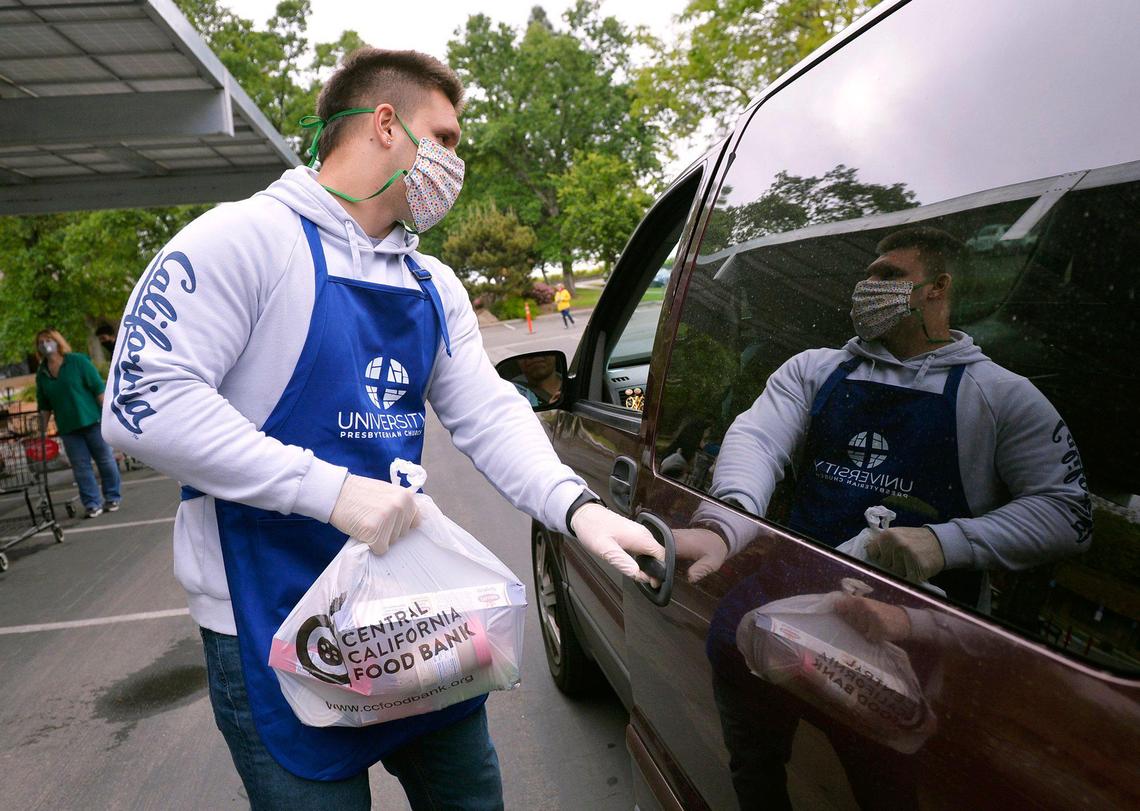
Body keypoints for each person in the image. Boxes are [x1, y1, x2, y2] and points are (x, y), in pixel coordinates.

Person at [102, 48, 662, 810]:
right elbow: (143, 403)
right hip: (270, 619)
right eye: (449, 138)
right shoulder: (241, 241)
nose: (457, 164)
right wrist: (331, 492)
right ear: (387, 124)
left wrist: (576, 507)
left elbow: (489, 411)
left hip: (409, 610)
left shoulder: (433, 283)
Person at [677, 226, 1091, 603]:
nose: (867, 286)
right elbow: (758, 441)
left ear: (937, 287)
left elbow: (1066, 513)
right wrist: (724, 525)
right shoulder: (814, 369)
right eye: (868, 275)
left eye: (888, 276)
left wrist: (945, 542)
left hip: (919, 628)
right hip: (795, 592)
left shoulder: (1002, 395)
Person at [35, 329, 121, 518]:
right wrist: (40, 430)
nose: (45, 344)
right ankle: (92, 503)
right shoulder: (42, 373)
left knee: (105, 460)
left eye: (48, 340)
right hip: (68, 427)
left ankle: (112, 496)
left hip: (92, 420)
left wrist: (110, 416)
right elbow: (44, 405)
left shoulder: (77, 361)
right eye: (41, 342)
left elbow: (98, 388)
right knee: (81, 467)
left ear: (58, 342)